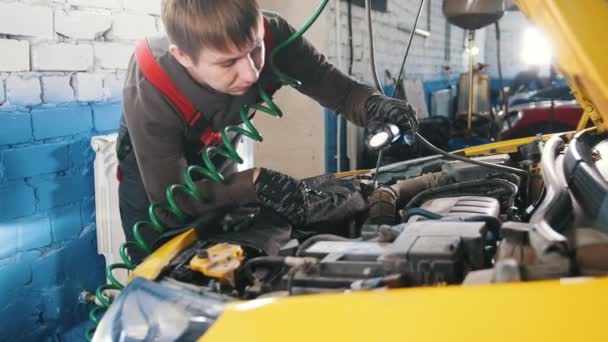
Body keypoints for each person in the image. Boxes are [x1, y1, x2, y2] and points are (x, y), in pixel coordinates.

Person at [117, 0, 418, 262]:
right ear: (183, 57)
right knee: (162, 273)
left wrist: (376, 106)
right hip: (156, 184)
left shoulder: (274, 34)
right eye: (228, 62)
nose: (251, 72)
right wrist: (254, 183)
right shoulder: (150, 83)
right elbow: (173, 203)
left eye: (255, 49)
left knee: (230, 245)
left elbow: (334, 86)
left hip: (218, 156)